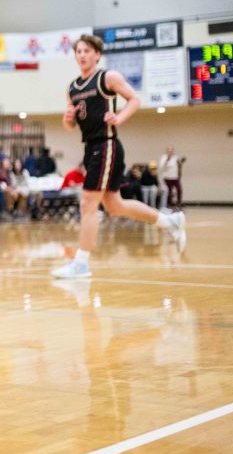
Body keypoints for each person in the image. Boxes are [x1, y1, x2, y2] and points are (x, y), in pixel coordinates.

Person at [51, 35, 187, 280]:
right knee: (115, 205)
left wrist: (118, 118)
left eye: (86, 51)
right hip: (91, 147)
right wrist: (67, 119)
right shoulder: (71, 88)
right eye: (78, 51)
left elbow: (134, 100)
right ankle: (170, 222)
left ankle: (81, 264)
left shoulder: (107, 78)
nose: (81, 55)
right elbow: (70, 126)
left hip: (107, 145)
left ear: (97, 55)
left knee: (87, 203)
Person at [157, 146, 185, 210]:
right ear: (167, 151)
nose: (170, 152)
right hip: (167, 178)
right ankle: (169, 204)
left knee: (179, 190)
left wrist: (181, 162)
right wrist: (168, 159)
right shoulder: (164, 157)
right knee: (169, 192)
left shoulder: (176, 158)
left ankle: (178, 204)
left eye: (171, 151)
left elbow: (178, 166)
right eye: (169, 151)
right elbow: (162, 167)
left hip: (175, 177)